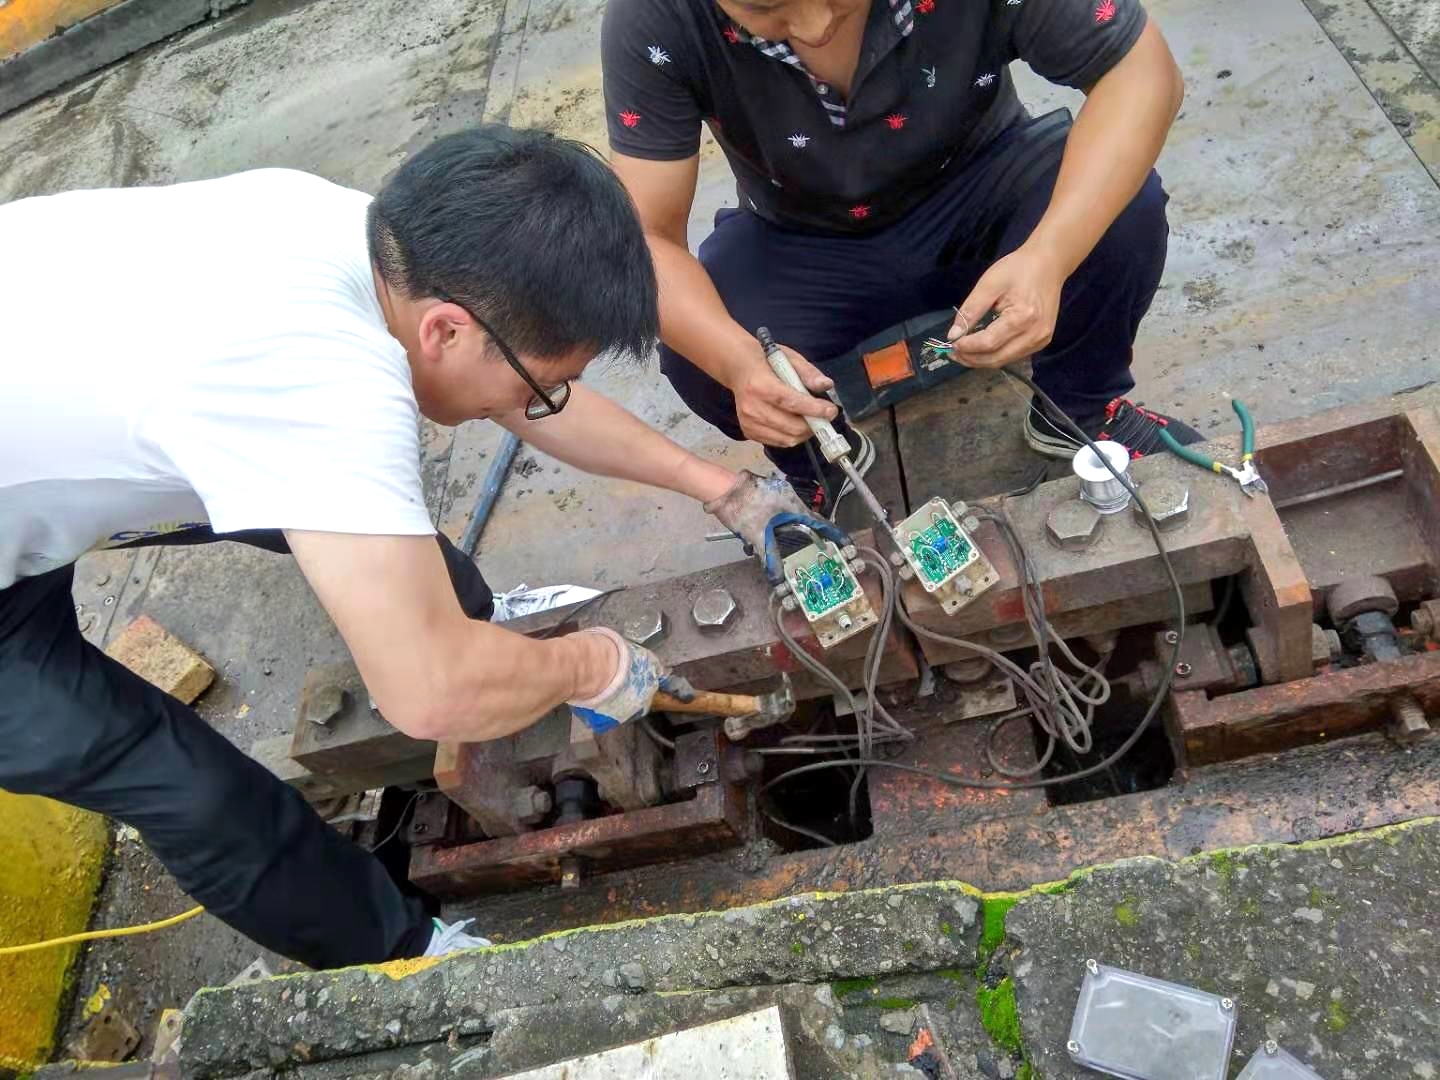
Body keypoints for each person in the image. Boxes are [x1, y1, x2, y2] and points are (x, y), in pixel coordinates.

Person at [0, 126, 819, 969]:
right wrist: (591, 666)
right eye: (546, 383)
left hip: (55, 426)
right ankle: (404, 952)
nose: (544, 401)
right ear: (446, 332)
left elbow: (508, 395)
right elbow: (430, 696)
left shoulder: (369, 239)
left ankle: (472, 630)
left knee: (378, 520)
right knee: (183, 784)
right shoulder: (316, 388)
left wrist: (724, 490)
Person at [601, 0, 1200, 513]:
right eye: (765, 9)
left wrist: (1049, 254)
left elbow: (1140, 70)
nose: (814, 28)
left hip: (983, 185)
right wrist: (738, 364)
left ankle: (1083, 410)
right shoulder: (654, 16)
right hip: (803, 239)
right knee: (699, 346)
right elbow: (645, 238)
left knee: (1120, 208)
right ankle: (825, 467)